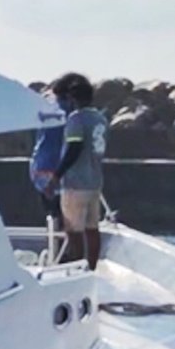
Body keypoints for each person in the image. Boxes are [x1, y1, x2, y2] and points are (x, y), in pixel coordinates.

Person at [51, 73, 109, 270]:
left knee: (73, 230)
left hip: (75, 183)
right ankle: (91, 267)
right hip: (94, 182)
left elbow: (74, 148)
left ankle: (77, 268)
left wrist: (56, 175)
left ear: (73, 99)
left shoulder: (76, 119)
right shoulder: (100, 119)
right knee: (92, 229)